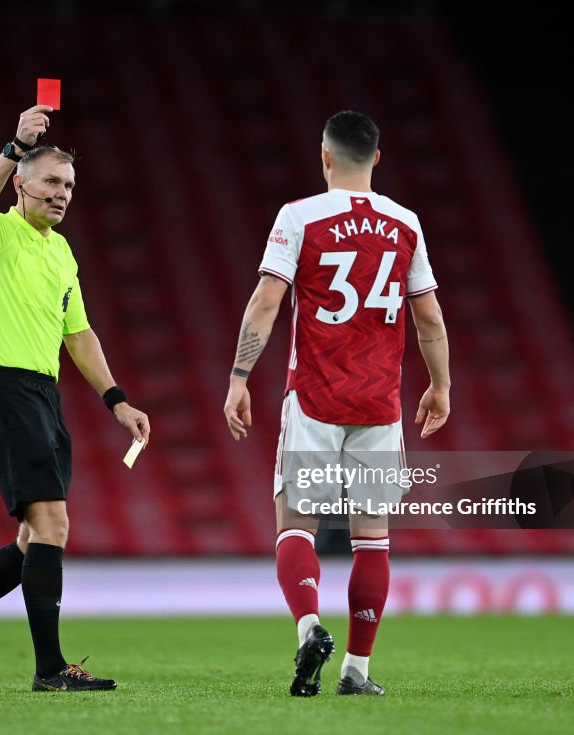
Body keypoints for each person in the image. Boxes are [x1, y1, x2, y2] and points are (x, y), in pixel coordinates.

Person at [0, 105, 150, 693]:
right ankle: (49, 670)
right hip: (4, 385)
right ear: (21, 184)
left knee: (31, 540)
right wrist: (15, 145)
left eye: (68, 185)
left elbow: (79, 334)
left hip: (43, 392)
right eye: (51, 182)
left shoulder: (61, 251)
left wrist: (116, 398)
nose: (62, 194)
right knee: (52, 524)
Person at [222, 112, 451, 697]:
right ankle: (357, 670)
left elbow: (265, 303)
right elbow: (428, 317)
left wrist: (239, 377)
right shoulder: (405, 223)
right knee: (372, 537)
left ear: (324, 157)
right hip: (379, 403)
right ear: (377, 158)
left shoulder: (298, 217)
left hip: (316, 397)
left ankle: (308, 628)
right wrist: (440, 386)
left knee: (295, 527)